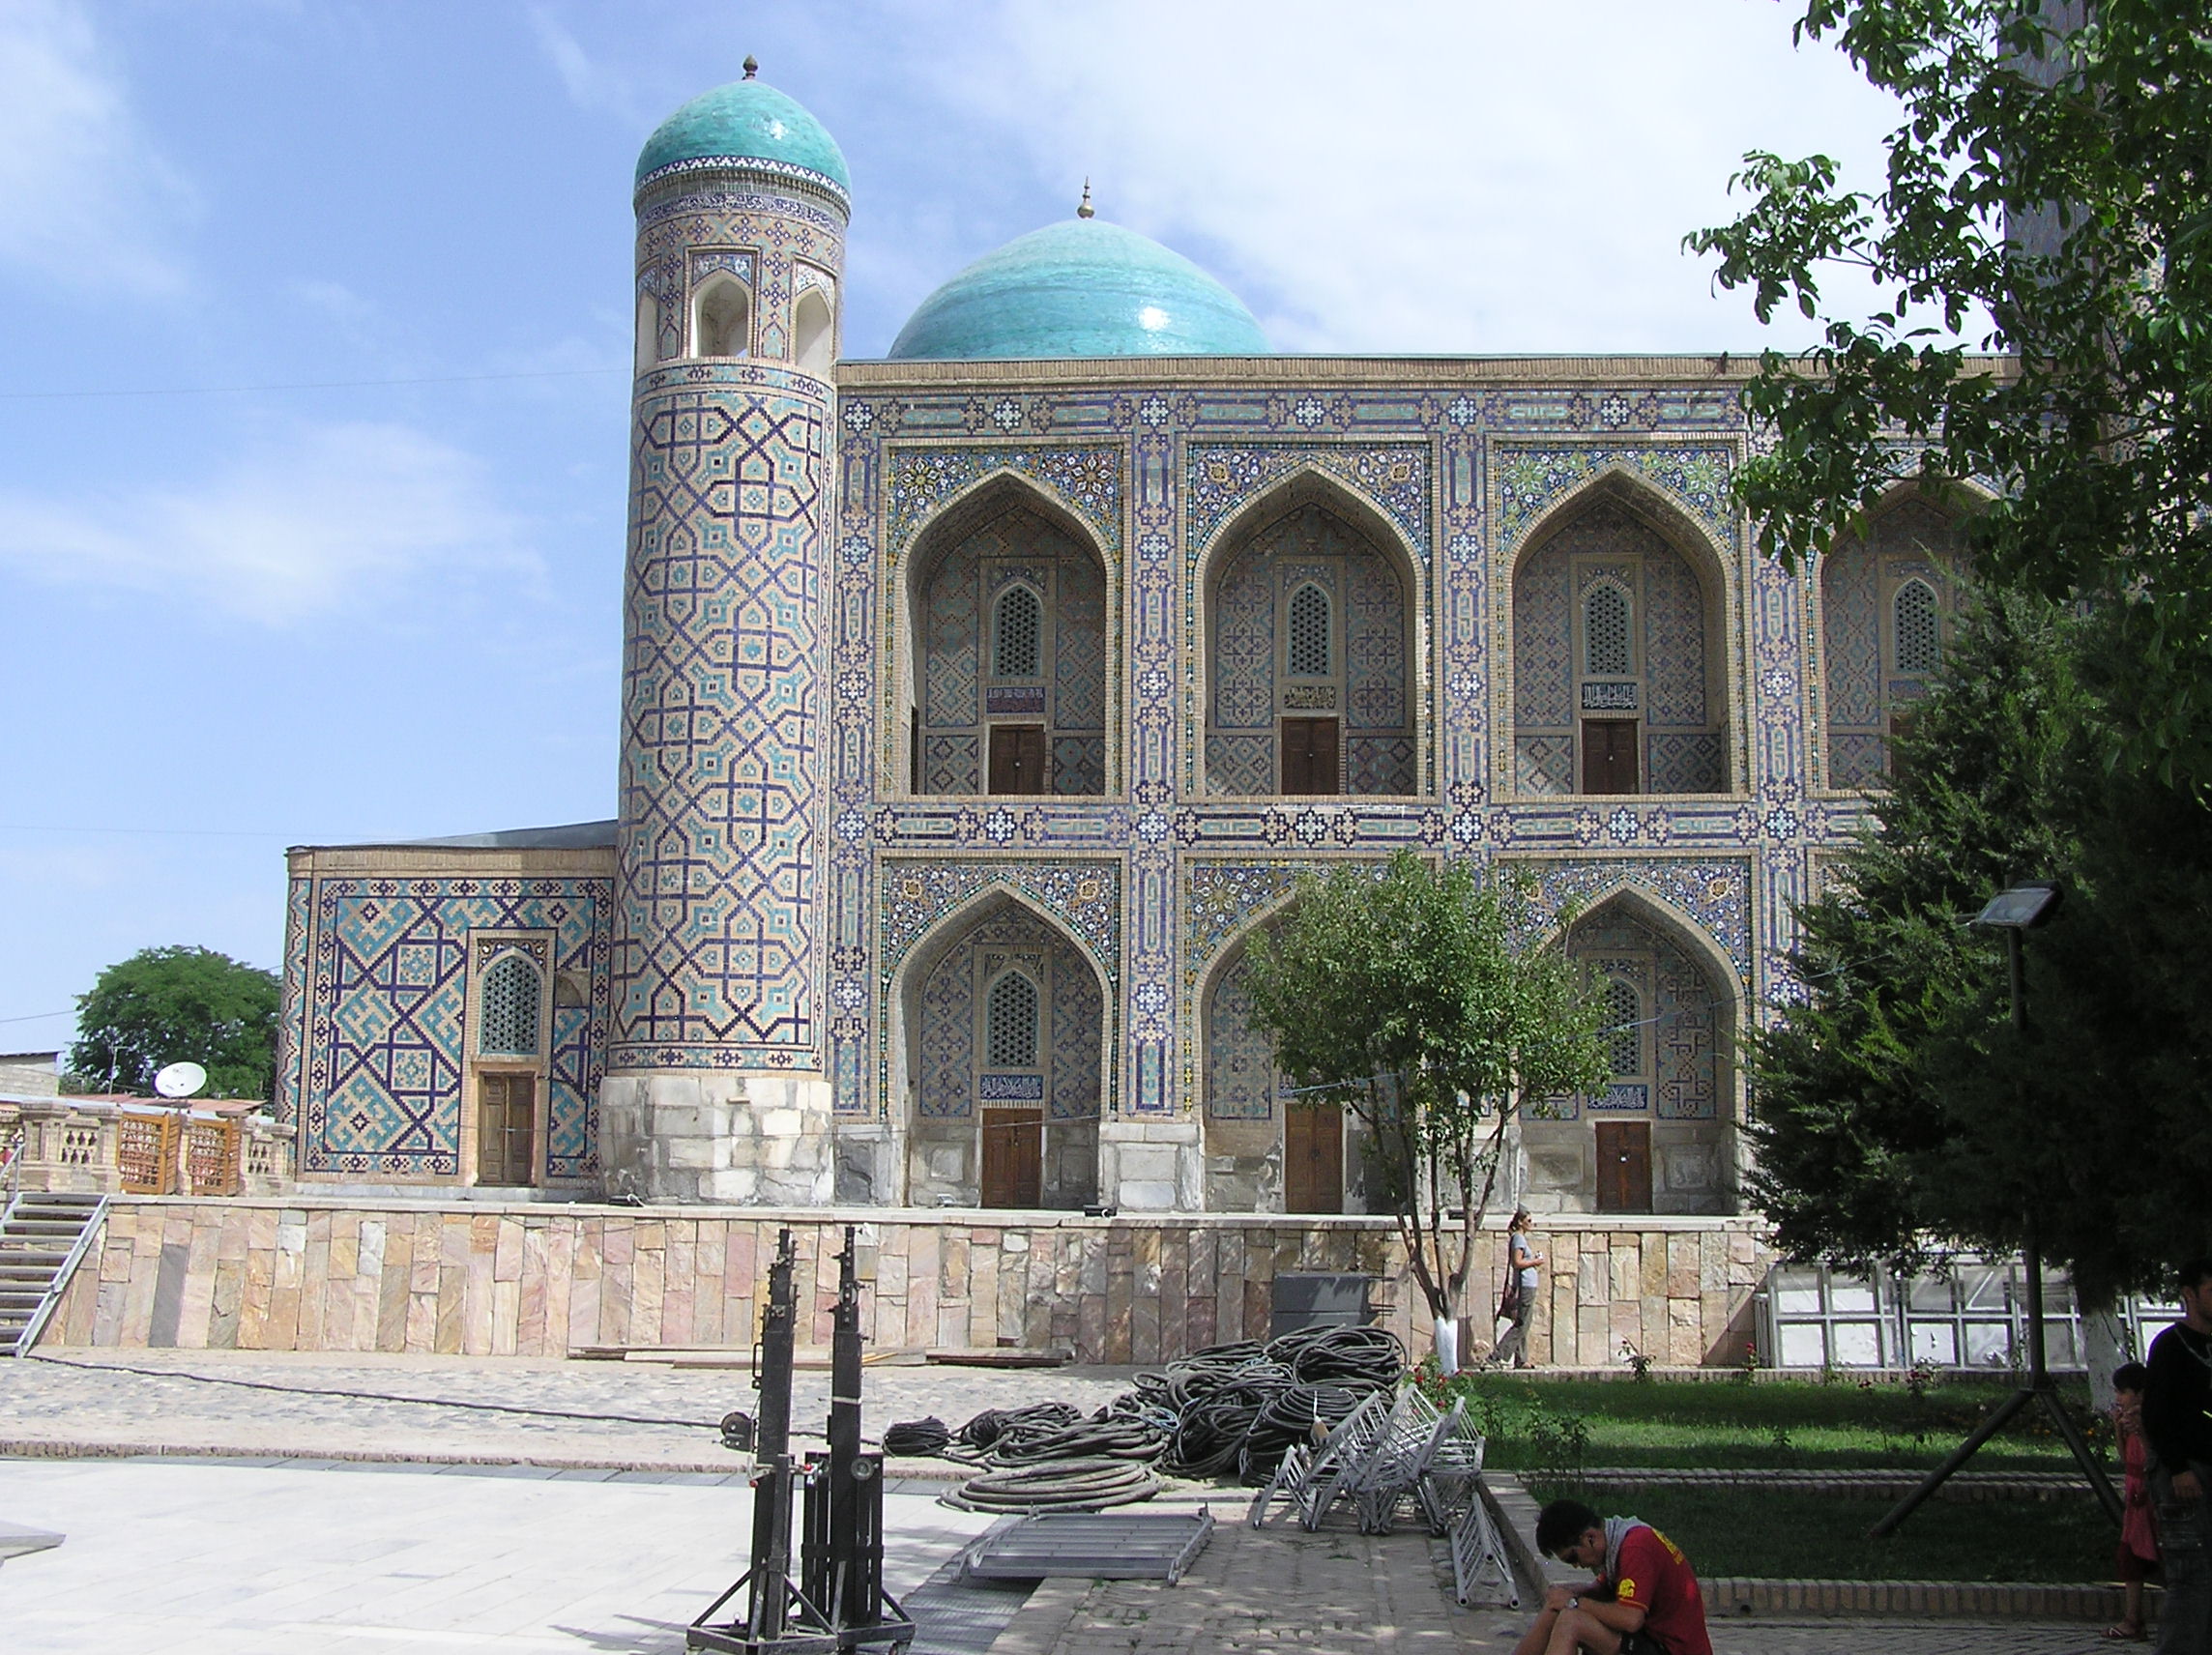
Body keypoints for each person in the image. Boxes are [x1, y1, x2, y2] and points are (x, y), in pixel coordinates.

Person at [1516, 1497, 1712, 1655]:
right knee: (1558, 1608)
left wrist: (1574, 1602)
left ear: (1590, 1538)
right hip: (1651, 1641)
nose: (1577, 1566)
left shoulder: (1636, 1548)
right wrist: (1567, 1595)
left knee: (1571, 1622)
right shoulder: (1617, 1546)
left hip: (1673, 1648)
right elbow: (1602, 1592)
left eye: (1573, 1557)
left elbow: (1630, 1619)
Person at [2145, 1257, 2212, 1655]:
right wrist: (2178, 1468)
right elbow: (2158, 1414)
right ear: (2189, 1295)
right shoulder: (2170, 1345)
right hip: (2184, 1474)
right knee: (2191, 1577)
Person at [2109, 1361, 2160, 1641]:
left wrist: (2140, 1430)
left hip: (2149, 1495)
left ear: (2139, 1393)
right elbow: (2126, 1458)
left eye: (2123, 1391)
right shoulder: (2128, 1421)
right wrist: (2119, 1429)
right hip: (2134, 1493)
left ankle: (2134, 1619)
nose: (2119, 1398)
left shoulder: (2151, 1418)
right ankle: (2132, 1619)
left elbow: (2154, 1457)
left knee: (2146, 1554)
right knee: (2130, 1556)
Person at [1493, 1207, 1544, 1369]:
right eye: (1528, 1221)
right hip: (1525, 1285)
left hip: (1527, 1284)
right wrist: (1535, 1262)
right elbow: (1517, 1262)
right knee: (1522, 1323)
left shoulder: (1520, 1239)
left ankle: (1521, 1359)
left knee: (1523, 1321)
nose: (1531, 1224)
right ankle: (1497, 1355)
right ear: (1520, 1222)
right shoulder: (1518, 1239)